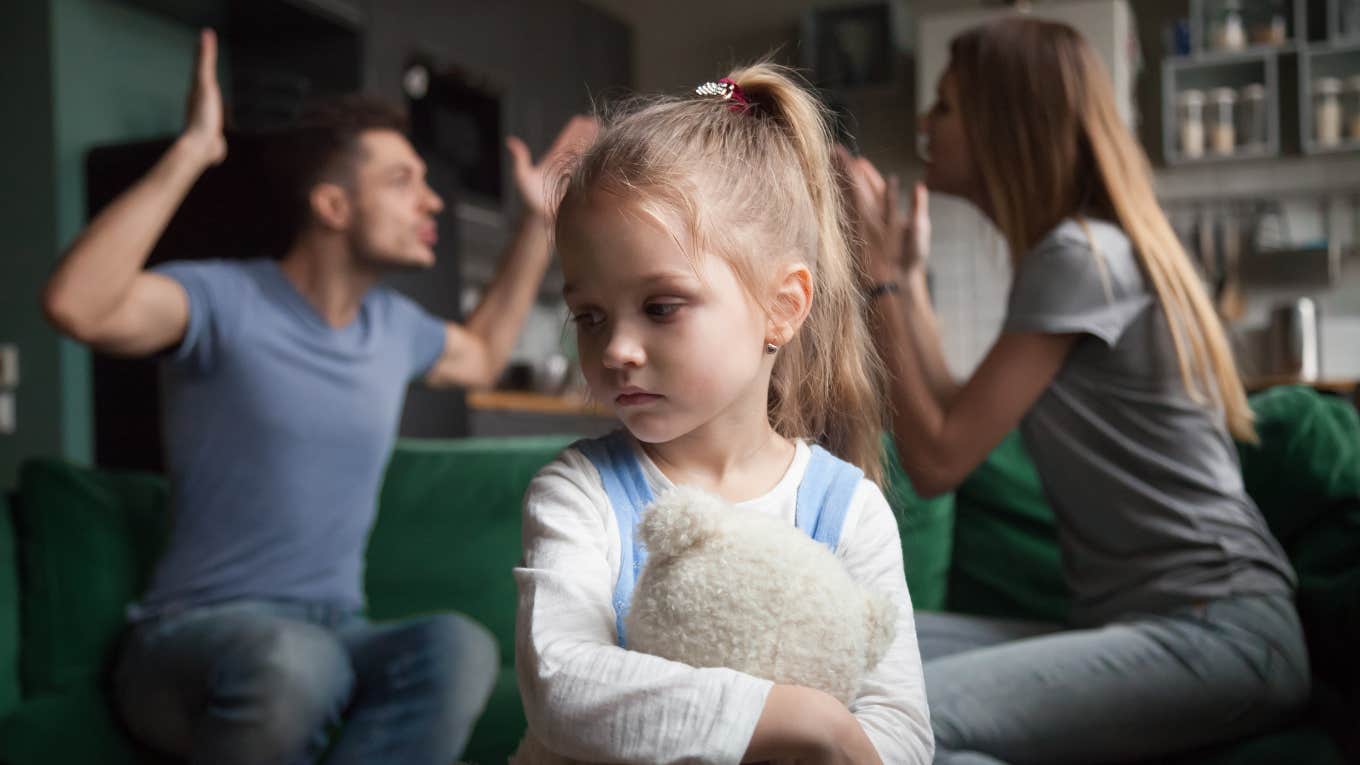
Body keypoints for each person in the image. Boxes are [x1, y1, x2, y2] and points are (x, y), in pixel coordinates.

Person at [41, 29, 596, 764]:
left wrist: (537, 220)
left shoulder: (392, 327)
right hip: (189, 638)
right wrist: (192, 152)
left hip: (338, 627)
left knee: (456, 647)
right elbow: (78, 305)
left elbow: (484, 352)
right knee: (296, 663)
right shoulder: (225, 300)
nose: (432, 199)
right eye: (403, 180)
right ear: (333, 204)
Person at [841, 16, 1309, 764]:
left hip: (1220, 633)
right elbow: (958, 404)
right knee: (844, 649)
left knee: (891, 722)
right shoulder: (1077, 252)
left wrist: (878, 278)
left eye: (947, 107)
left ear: (1006, 125)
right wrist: (909, 275)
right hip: (1143, 626)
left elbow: (935, 458)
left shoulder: (1078, 255)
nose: (926, 123)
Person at [511, 63, 934, 765]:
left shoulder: (850, 511)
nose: (616, 348)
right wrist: (799, 718)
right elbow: (561, 681)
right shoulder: (579, 492)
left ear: (783, 307)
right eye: (588, 315)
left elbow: (899, 729)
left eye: (661, 307)